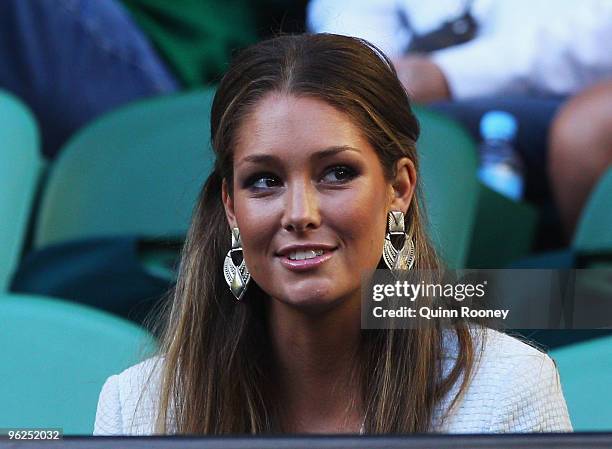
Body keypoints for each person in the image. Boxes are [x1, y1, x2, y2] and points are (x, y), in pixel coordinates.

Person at [93, 34, 571, 435]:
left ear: (399, 188)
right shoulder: (137, 410)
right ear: (230, 206)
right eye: (265, 181)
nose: (299, 213)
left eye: (337, 173)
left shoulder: (506, 392)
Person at [307, 0, 612, 239]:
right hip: (416, 97)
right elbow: (353, 12)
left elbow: (598, 30)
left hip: (559, 93)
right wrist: (371, 73)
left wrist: (450, 74)